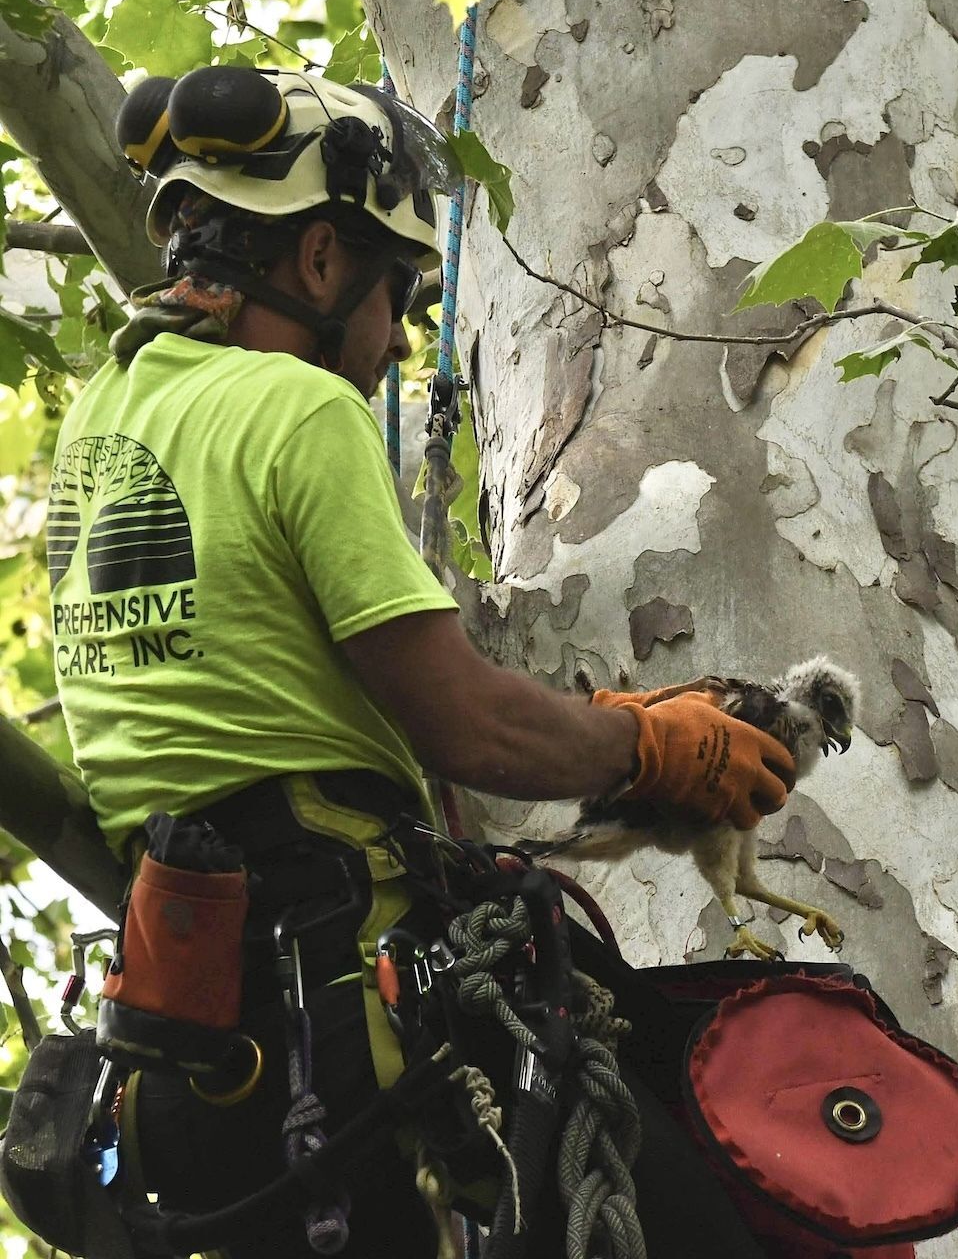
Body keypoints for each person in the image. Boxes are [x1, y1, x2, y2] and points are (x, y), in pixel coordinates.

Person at [45, 66, 794, 1259]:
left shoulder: (103, 418)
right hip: (338, 999)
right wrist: (659, 744)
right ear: (324, 261)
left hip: (196, 1048)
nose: (395, 340)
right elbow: (468, 728)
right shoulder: (293, 406)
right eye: (397, 294)